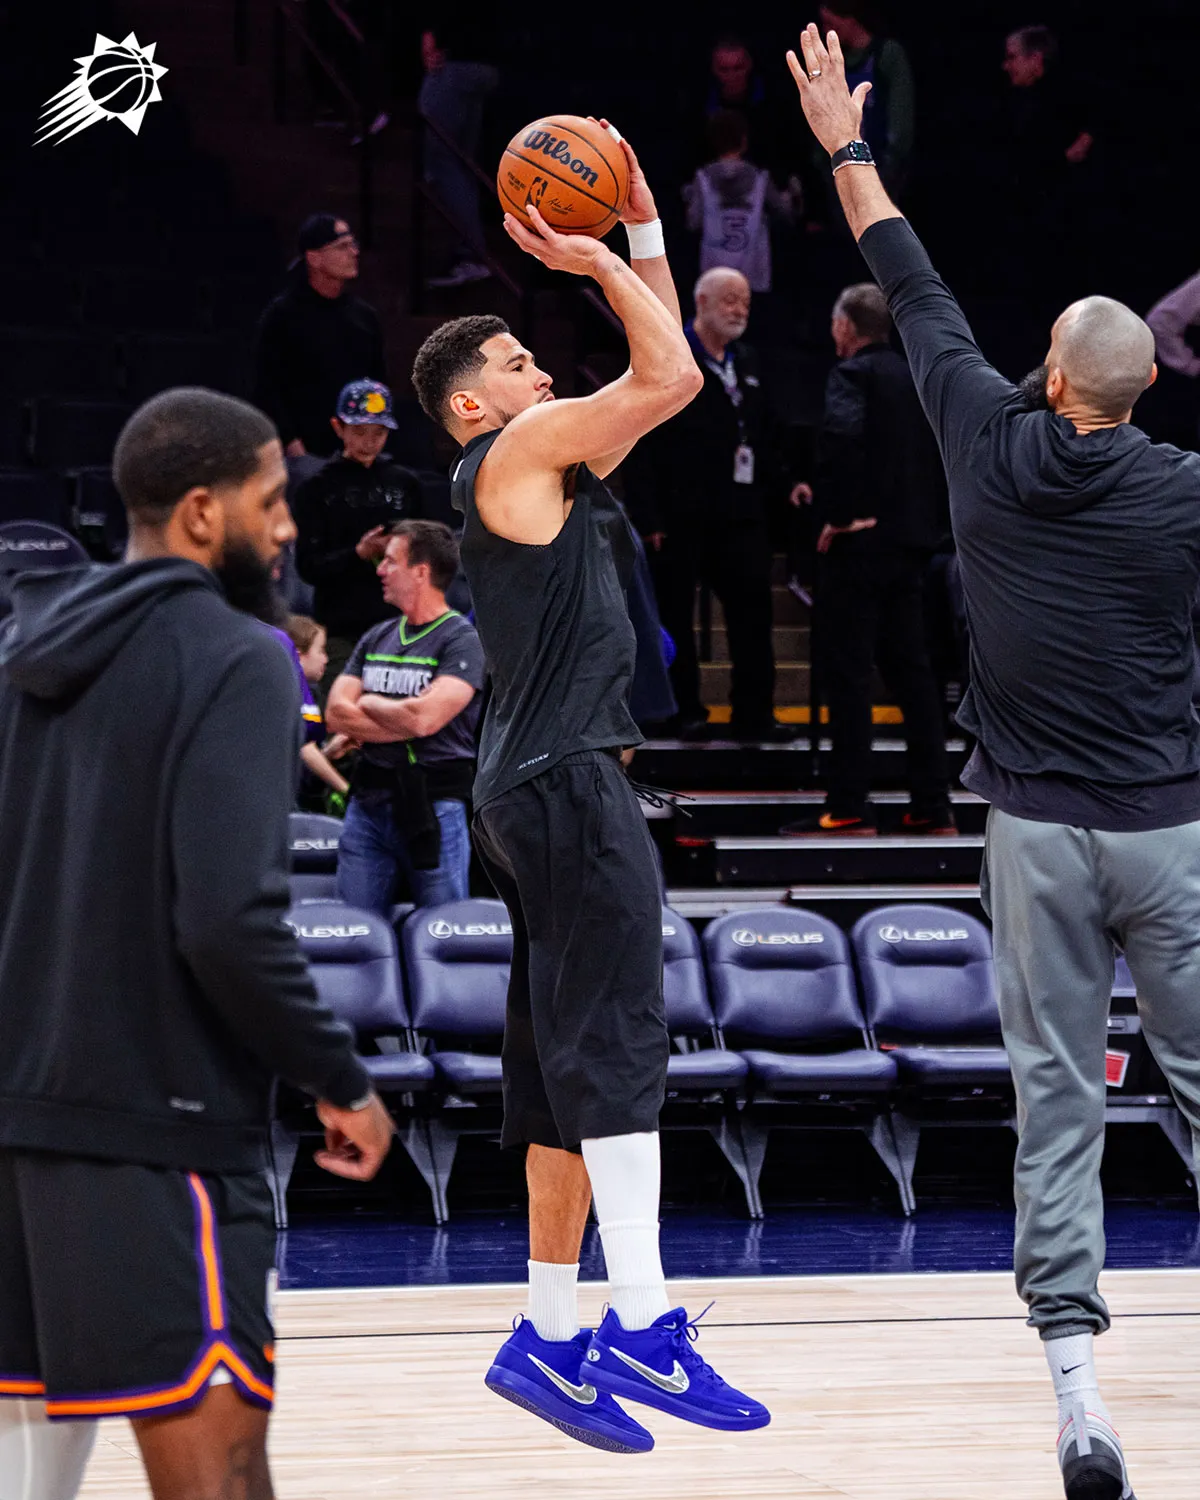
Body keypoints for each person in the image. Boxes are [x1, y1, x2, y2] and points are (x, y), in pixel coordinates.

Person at [788, 24, 1200, 1499]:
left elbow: (903, 270)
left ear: (1046, 374)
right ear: (1146, 391)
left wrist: (846, 138)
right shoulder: (1184, 494)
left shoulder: (973, 424)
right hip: (1169, 831)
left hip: (1036, 837)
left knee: (1057, 1098)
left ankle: (1082, 1401)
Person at [411, 127, 769, 1452]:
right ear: (471, 408)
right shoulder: (515, 455)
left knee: (564, 1072)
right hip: (566, 776)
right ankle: (644, 1323)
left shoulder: (543, 464)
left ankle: (552, 1341)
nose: (538, 363)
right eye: (513, 360)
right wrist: (590, 247)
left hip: (529, 781)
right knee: (619, 1044)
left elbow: (658, 369)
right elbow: (670, 371)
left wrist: (643, 237)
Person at [0, 388, 394, 1500]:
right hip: (158, 1128)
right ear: (201, 513)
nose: (285, 528)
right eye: (270, 501)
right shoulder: (237, 657)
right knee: (219, 1474)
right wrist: (339, 1079)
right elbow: (227, 919)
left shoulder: (18, 653)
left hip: (20, 1124)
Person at [782, 281, 953, 836]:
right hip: (913, 545)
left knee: (848, 677)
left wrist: (839, 514)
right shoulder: (920, 379)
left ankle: (849, 806)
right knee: (914, 676)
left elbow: (841, 441)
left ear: (846, 327)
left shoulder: (852, 374)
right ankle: (933, 806)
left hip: (859, 550)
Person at [624, 265, 794, 742]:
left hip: (741, 515)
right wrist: (648, 515)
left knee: (753, 616)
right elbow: (638, 441)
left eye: (745, 301)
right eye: (730, 300)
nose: (740, 309)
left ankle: (755, 715)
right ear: (700, 303)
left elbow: (767, 437)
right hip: (678, 518)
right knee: (673, 616)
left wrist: (787, 486)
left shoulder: (751, 361)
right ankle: (681, 711)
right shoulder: (670, 358)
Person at [326, 519, 483, 913]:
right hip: (367, 807)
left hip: (435, 807)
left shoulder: (461, 639)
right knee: (355, 933)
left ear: (421, 572)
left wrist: (370, 704)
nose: (379, 570)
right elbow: (334, 713)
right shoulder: (376, 635)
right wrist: (399, 717)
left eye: (390, 561)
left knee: (443, 932)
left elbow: (424, 720)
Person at [293, 378, 423, 688]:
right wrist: (358, 553)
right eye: (359, 431)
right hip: (341, 626)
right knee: (341, 708)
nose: (370, 441)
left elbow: (430, 545)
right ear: (339, 428)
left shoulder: (404, 484)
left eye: (379, 432)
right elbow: (308, 566)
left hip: (398, 622)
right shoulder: (317, 488)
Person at [252, 214, 387, 459]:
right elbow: (267, 388)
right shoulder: (283, 316)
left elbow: (376, 384)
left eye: (353, 244)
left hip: (357, 451)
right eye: (342, 246)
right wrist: (293, 446)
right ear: (314, 258)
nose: (354, 252)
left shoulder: (364, 317)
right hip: (304, 452)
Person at [684, 110, 802, 295]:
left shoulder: (702, 179)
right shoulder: (760, 179)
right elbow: (786, 212)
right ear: (744, 140)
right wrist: (794, 194)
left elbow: (693, 222)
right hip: (752, 271)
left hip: (714, 272)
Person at [419, 24, 498, 289]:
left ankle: (472, 254)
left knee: (443, 163)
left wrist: (431, 40)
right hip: (482, 62)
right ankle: (471, 254)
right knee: (462, 166)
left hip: (454, 65)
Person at [281, 613, 352, 812]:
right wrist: (346, 790)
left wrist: (328, 753)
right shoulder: (288, 687)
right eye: (320, 650)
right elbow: (305, 749)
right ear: (298, 654)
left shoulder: (309, 690)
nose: (326, 659)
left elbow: (302, 754)